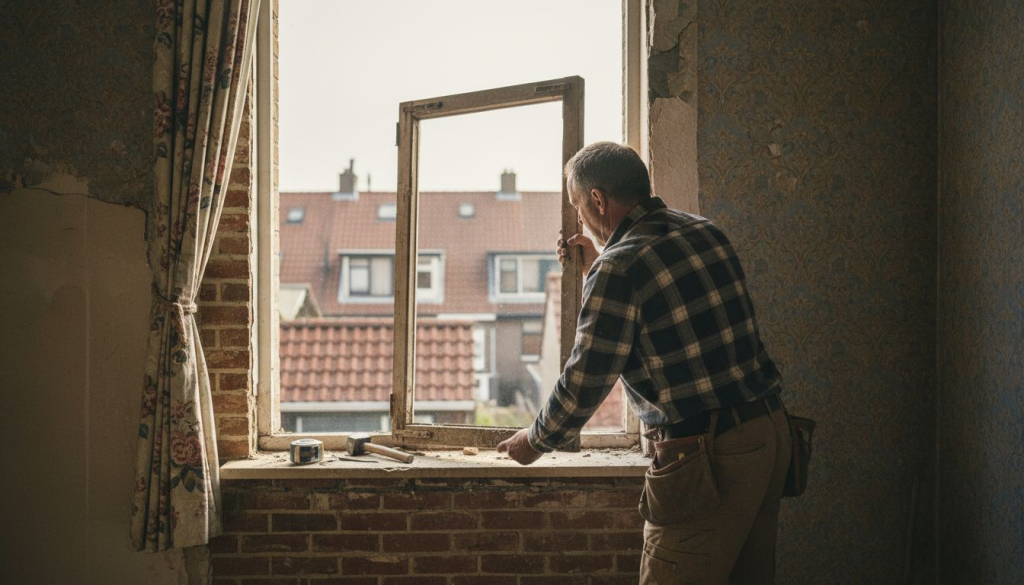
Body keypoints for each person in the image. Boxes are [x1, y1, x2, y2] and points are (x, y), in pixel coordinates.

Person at [497, 142, 791, 584]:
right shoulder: (703, 230)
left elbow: (587, 378)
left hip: (710, 456)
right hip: (770, 434)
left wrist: (534, 441)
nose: (579, 217)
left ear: (598, 200)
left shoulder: (619, 267)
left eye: (578, 205)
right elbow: (673, 311)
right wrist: (598, 266)